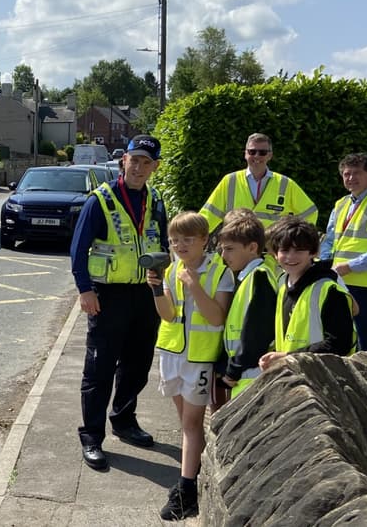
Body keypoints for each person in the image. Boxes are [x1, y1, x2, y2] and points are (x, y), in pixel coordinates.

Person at [70, 134, 169, 471]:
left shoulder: (156, 200)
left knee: (138, 364)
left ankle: (124, 420)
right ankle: (92, 436)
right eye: (134, 160)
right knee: (99, 369)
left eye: (146, 162)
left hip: (144, 293)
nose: (139, 167)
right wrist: (85, 290)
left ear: (155, 167)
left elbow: (163, 244)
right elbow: (78, 248)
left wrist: (162, 280)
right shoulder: (100, 200)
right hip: (107, 295)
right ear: (123, 161)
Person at [148, 211, 234, 521]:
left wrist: (195, 285)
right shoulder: (171, 270)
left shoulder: (220, 272)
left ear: (203, 241)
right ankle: (189, 483)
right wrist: (157, 289)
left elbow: (217, 318)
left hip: (200, 358)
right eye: (174, 241)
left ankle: (186, 491)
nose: (180, 246)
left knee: (191, 425)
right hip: (172, 354)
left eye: (187, 240)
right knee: (185, 423)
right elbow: (168, 315)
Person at [319, 153, 367, 350]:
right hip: (338, 281)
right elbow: (330, 241)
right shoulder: (341, 204)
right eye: (346, 174)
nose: (350, 178)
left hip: (366, 286)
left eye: (357, 173)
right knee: (339, 336)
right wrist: (324, 266)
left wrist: (351, 266)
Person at [259, 216, 357, 374]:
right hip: (294, 375)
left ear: (313, 252)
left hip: (326, 380)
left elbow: (340, 344)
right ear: (275, 254)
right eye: (284, 250)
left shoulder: (329, 290)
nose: (291, 257)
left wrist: (288, 357)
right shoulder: (283, 283)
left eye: (299, 250)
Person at [199, 133, 318, 233]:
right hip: (236, 250)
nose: (256, 156)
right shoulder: (230, 181)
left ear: (270, 155)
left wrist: (293, 239)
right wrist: (194, 237)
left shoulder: (285, 184)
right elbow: (209, 215)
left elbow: (310, 213)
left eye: (262, 152)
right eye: (252, 151)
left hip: (271, 253)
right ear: (245, 154)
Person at [217, 209, 279, 400]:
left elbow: (257, 331)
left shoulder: (259, 277)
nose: (223, 255)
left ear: (252, 248)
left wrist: (233, 369)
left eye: (229, 249)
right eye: (222, 249)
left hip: (250, 374)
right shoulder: (249, 276)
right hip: (244, 373)